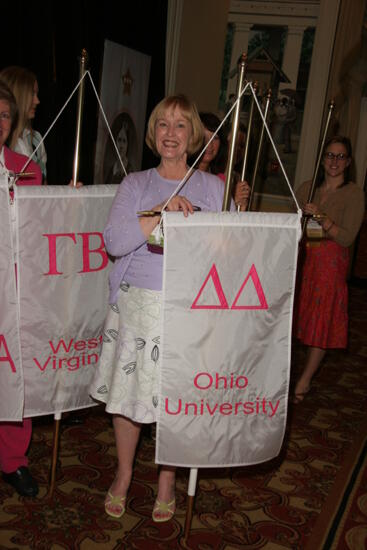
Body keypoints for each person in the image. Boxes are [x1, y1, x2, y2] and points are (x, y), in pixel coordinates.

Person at [90, 94, 237, 522]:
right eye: (162, 125)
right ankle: (123, 473)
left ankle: (167, 481)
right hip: (137, 306)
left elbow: (229, 253)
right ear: (153, 134)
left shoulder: (213, 188)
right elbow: (115, 242)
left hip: (188, 311)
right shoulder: (135, 183)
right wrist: (159, 211)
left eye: (179, 125)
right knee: (129, 399)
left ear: (193, 135)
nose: (170, 134)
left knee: (174, 401)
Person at [293, 135, 365, 403]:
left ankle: (305, 380)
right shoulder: (307, 187)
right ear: (322, 159)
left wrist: (321, 217)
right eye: (330, 156)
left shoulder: (354, 193)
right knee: (300, 315)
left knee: (321, 320)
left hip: (330, 265)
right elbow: (293, 223)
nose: (334, 162)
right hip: (304, 258)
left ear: (348, 162)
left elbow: (347, 237)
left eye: (340, 156)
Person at [0, 80, 41, 497]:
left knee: (15, 374)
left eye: (5, 115)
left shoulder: (26, 168)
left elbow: (38, 230)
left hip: (14, 288)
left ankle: (12, 460)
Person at [0, 66, 47, 183]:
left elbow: (44, 193)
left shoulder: (36, 140)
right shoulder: (4, 139)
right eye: (32, 94)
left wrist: (68, 195)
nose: (37, 101)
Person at [198, 112, 250, 211]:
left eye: (215, 138)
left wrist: (238, 205)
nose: (209, 144)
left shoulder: (219, 180)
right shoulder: (183, 174)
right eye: (204, 137)